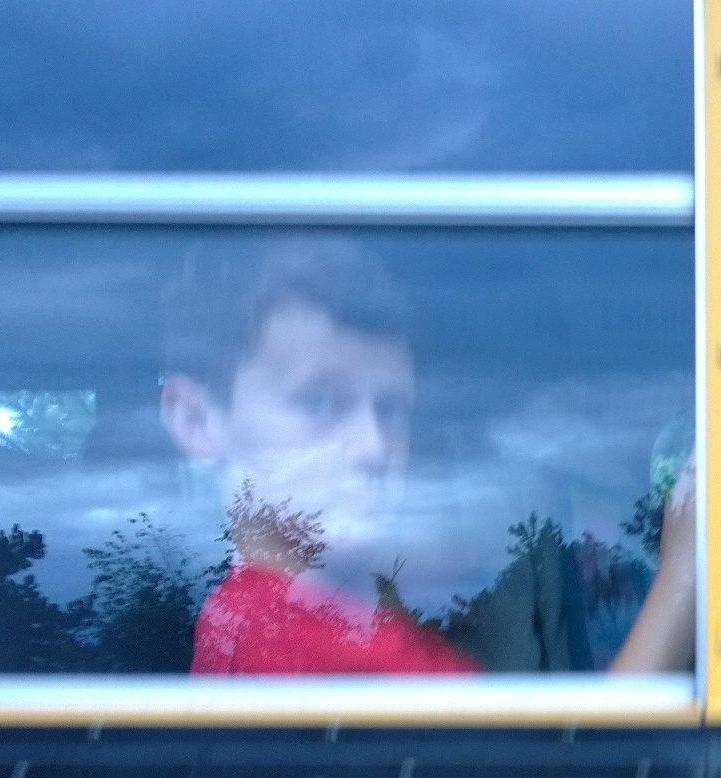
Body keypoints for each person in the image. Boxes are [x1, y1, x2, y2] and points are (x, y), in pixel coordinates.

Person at [168, 238, 693, 675]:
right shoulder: (328, 647)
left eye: (391, 410)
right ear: (198, 421)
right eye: (318, 403)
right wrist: (685, 572)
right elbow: (585, 766)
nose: (373, 447)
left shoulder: (231, 618)